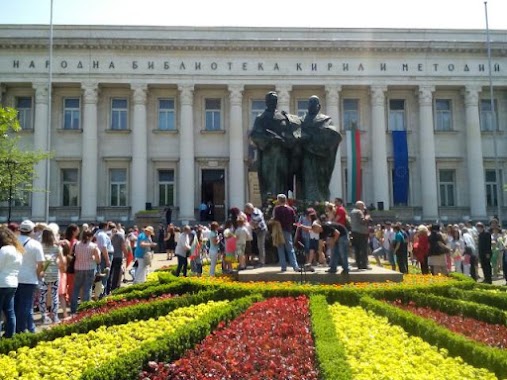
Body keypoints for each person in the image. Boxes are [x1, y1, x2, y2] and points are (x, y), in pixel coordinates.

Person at [250, 91, 299, 202]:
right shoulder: (261, 118)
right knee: (269, 181)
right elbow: (255, 135)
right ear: (266, 102)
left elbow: (290, 134)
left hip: (282, 154)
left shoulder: (283, 117)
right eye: (271, 100)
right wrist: (270, 139)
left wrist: (286, 139)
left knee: (283, 179)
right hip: (269, 155)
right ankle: (270, 203)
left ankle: (282, 202)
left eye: (275, 100)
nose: (273, 102)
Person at [299, 95, 342, 201]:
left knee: (321, 181)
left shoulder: (326, 120)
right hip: (307, 155)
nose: (312, 105)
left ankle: (320, 202)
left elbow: (333, 134)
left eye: (315, 103)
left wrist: (319, 136)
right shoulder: (301, 120)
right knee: (307, 179)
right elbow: (296, 134)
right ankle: (308, 203)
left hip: (322, 158)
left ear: (319, 106)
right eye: (310, 103)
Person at [15, 220, 44, 333]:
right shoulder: (35, 244)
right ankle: (22, 330)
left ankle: (27, 328)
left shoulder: (14, 242)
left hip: (15, 277)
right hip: (30, 278)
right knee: (26, 306)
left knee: (17, 305)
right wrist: (37, 275)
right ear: (32, 231)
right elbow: (41, 263)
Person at [0, 227, 24, 338]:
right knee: (10, 311)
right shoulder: (18, 251)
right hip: (13, 283)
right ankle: (10, 335)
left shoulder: (4, 250)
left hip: (1, 282)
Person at [70, 230, 101, 315]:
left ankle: (73, 309)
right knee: (87, 288)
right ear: (91, 236)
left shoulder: (76, 244)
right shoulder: (94, 246)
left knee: (76, 289)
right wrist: (94, 259)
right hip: (90, 268)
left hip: (78, 268)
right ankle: (85, 309)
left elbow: (71, 255)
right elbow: (98, 259)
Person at [39, 228, 65, 324]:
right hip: (54, 273)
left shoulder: (40, 247)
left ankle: (44, 316)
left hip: (43, 274)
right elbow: (62, 261)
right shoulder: (56, 248)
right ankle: (55, 316)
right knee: (54, 296)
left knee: (42, 295)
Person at [273, 193, 300, 272]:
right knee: (290, 249)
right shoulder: (290, 209)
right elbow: (294, 220)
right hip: (288, 230)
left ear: (278, 200)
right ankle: (295, 266)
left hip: (279, 231)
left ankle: (283, 267)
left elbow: (275, 220)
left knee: (280, 248)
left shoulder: (277, 209)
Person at [244, 203, 268, 268]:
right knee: (259, 246)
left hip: (261, 230)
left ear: (249, 209)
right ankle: (261, 261)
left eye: (247, 210)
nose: (247, 212)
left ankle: (262, 262)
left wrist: (251, 224)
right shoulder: (253, 212)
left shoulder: (256, 212)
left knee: (261, 246)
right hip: (257, 231)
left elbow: (257, 220)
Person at [349, 201, 371, 270]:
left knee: (357, 249)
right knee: (363, 249)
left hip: (354, 232)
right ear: (359, 206)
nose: (363, 208)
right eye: (362, 206)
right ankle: (364, 264)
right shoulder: (359, 212)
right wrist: (367, 217)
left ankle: (359, 264)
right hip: (361, 233)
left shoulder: (352, 212)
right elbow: (363, 221)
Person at [94, 222, 113, 297]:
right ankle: (102, 294)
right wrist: (107, 259)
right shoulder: (102, 235)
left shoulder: (98, 233)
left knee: (101, 275)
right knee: (104, 275)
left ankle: (101, 293)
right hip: (104, 256)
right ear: (105, 226)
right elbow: (104, 248)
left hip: (102, 255)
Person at [109, 225, 128, 292]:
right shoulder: (120, 235)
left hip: (110, 256)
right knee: (116, 273)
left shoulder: (108, 235)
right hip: (118, 256)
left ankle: (108, 287)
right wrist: (126, 254)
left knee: (110, 272)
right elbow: (123, 246)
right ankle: (114, 288)